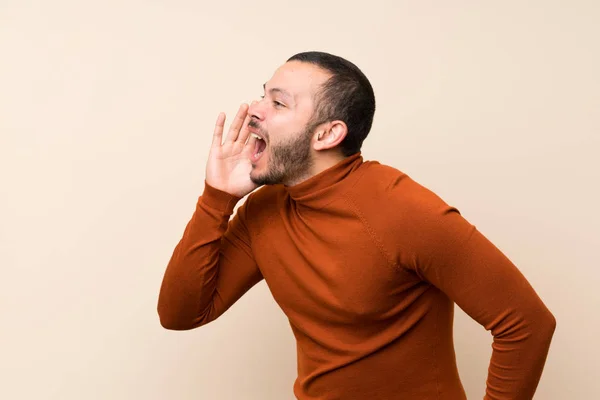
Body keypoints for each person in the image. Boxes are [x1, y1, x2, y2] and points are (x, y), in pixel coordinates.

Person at [157, 51, 556, 400]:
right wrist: (217, 198)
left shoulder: (403, 210)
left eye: (278, 103)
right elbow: (181, 314)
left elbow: (527, 324)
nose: (255, 109)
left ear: (328, 134)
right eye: (263, 93)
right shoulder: (263, 210)